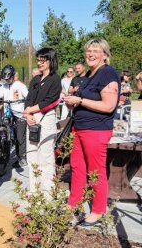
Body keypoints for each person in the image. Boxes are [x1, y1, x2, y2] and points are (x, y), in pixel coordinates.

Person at [63, 38, 120, 226]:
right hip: (79, 128)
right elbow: (83, 99)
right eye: (88, 50)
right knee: (77, 167)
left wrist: (80, 101)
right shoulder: (88, 75)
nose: (91, 54)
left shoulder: (107, 73)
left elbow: (109, 105)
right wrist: (72, 101)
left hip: (96, 130)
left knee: (96, 171)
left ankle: (98, 210)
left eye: (96, 50)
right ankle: (74, 203)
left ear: (105, 54)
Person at [23, 48, 61, 199]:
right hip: (31, 119)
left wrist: (30, 110)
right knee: (32, 156)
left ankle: (48, 192)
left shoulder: (55, 79)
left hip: (46, 119)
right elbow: (28, 98)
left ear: (50, 61)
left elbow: (50, 101)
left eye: (42, 60)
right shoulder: (35, 79)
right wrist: (28, 114)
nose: (39, 62)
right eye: (38, 59)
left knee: (45, 157)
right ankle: (35, 189)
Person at [0, 65, 28, 168]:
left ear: (13, 76)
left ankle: (22, 157)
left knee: (20, 137)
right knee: (3, 134)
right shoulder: (3, 87)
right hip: (8, 113)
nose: (7, 81)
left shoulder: (20, 85)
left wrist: (26, 107)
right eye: (5, 79)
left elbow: (28, 96)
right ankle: (3, 154)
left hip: (19, 115)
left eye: (9, 78)